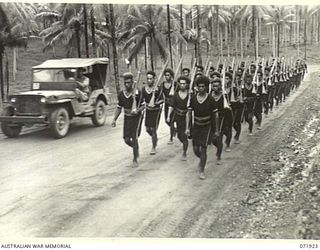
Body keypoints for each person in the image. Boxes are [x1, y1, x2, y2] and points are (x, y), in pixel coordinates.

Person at [186, 75, 218, 180]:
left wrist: (216, 129)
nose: (201, 88)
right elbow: (189, 113)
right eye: (199, 86)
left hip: (207, 126)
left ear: (207, 87)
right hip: (196, 125)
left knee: (203, 148)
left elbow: (215, 115)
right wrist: (187, 127)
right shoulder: (193, 98)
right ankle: (202, 160)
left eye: (203, 86)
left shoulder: (211, 99)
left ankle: (202, 170)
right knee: (195, 149)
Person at [112, 72, 145, 168]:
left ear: (132, 82)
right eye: (125, 83)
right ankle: (136, 148)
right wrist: (114, 119)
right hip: (127, 118)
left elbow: (143, 105)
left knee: (134, 138)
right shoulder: (121, 94)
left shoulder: (137, 93)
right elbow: (119, 107)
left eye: (129, 83)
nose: (127, 85)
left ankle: (135, 158)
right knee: (126, 139)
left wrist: (137, 110)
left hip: (136, 118)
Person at [167, 76, 190, 160]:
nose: (182, 85)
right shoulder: (176, 95)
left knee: (184, 136)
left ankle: (184, 152)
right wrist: (169, 116)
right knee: (180, 136)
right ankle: (183, 141)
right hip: (178, 117)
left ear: (187, 85)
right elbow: (172, 106)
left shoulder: (190, 95)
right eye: (181, 83)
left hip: (187, 117)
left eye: (184, 84)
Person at [141, 71, 164, 155]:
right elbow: (141, 99)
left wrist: (156, 103)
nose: (149, 80)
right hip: (148, 110)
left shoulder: (158, 88)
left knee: (153, 129)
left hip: (156, 111)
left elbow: (162, 99)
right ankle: (155, 138)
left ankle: (153, 147)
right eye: (148, 79)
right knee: (147, 129)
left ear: (154, 79)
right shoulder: (144, 89)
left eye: (151, 78)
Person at [161, 68, 177, 144]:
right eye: (166, 75)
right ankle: (174, 129)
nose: (167, 77)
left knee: (171, 121)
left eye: (168, 75)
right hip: (167, 104)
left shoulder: (175, 84)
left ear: (171, 76)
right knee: (166, 121)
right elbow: (161, 94)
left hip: (173, 104)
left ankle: (171, 138)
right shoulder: (162, 84)